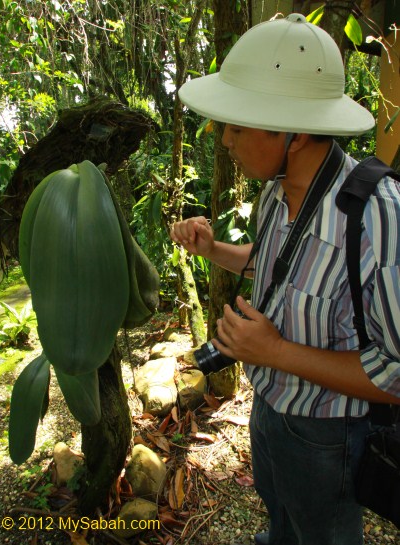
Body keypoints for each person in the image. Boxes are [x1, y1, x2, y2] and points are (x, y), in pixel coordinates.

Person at [170, 13, 400, 545]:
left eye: (237, 125)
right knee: (282, 521)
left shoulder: (377, 216)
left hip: (328, 437)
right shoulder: (276, 192)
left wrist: (273, 351)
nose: (224, 139)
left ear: (292, 134)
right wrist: (214, 250)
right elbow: (273, 262)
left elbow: (395, 372)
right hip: (270, 409)